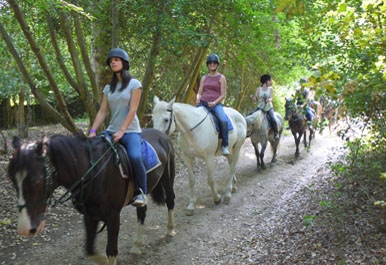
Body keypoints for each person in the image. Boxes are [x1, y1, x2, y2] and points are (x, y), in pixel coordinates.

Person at [89, 48, 147, 207]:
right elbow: (102, 111)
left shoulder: (135, 85)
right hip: (110, 130)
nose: (113, 62)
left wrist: (122, 130)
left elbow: (133, 109)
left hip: (131, 131)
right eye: (111, 60)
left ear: (124, 63)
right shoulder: (108, 88)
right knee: (94, 155)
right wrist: (93, 131)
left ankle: (140, 192)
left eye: (117, 60)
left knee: (135, 157)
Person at [196, 54, 230, 155]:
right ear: (207, 65)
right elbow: (200, 92)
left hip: (216, 104)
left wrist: (214, 102)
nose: (212, 64)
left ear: (217, 64)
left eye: (214, 62)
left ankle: (225, 145)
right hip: (203, 102)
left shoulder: (221, 78)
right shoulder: (204, 78)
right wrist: (198, 98)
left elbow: (223, 95)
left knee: (223, 120)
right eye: (210, 62)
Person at [251, 74, 279, 140]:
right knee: (251, 116)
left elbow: (271, 98)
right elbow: (255, 98)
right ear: (266, 81)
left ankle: (276, 132)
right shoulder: (258, 89)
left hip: (268, 107)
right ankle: (250, 132)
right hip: (260, 107)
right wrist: (252, 97)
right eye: (270, 80)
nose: (271, 82)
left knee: (273, 119)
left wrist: (269, 100)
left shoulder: (271, 89)